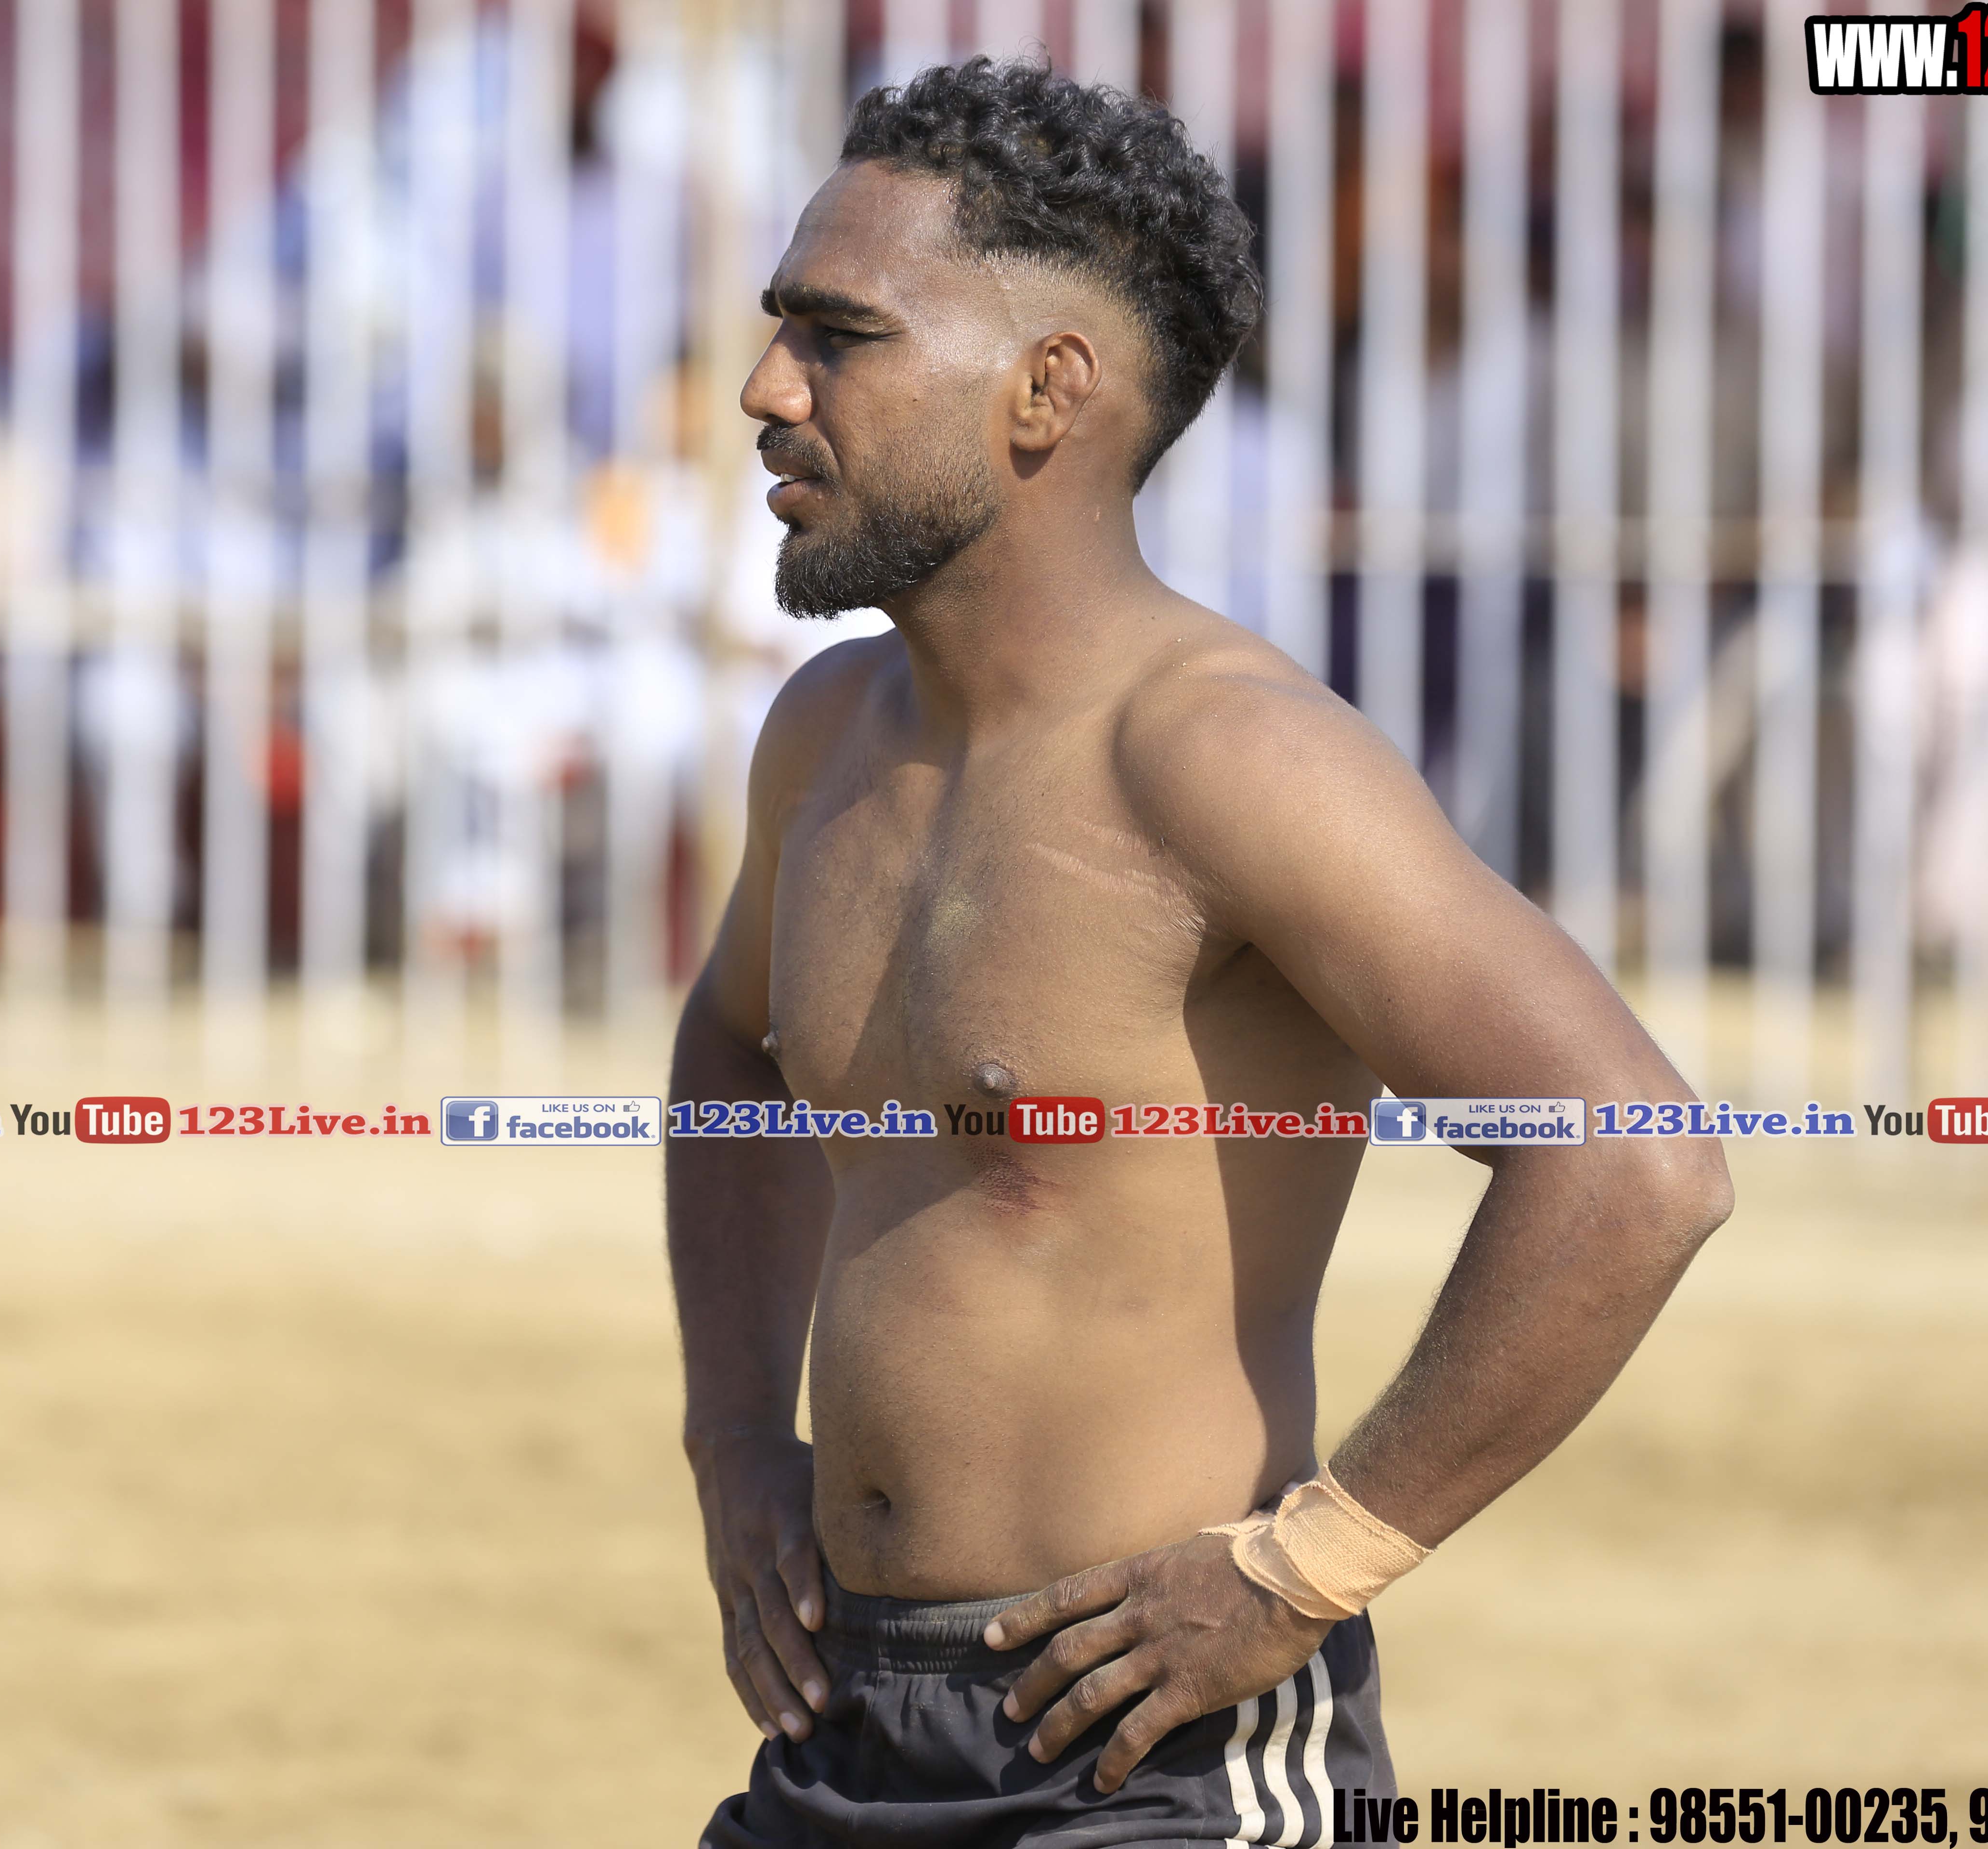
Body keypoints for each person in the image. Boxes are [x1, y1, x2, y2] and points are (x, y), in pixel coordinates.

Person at [669, 58, 1733, 1846]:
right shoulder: (828, 732)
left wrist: (1313, 1564)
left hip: (1151, 1761)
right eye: (784, 327)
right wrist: (731, 1439)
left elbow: (1633, 1161)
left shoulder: (1228, 755)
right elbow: (734, 1046)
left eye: (839, 337)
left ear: (1047, 391)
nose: (771, 389)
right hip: (843, 1724)